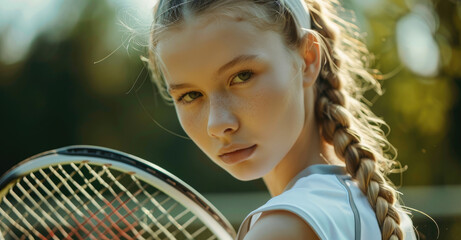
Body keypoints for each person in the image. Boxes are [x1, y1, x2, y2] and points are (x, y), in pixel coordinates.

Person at [144, 0, 418, 239]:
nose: (216, 124)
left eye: (242, 76)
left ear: (307, 59)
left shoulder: (282, 229)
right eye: (191, 95)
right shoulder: (372, 208)